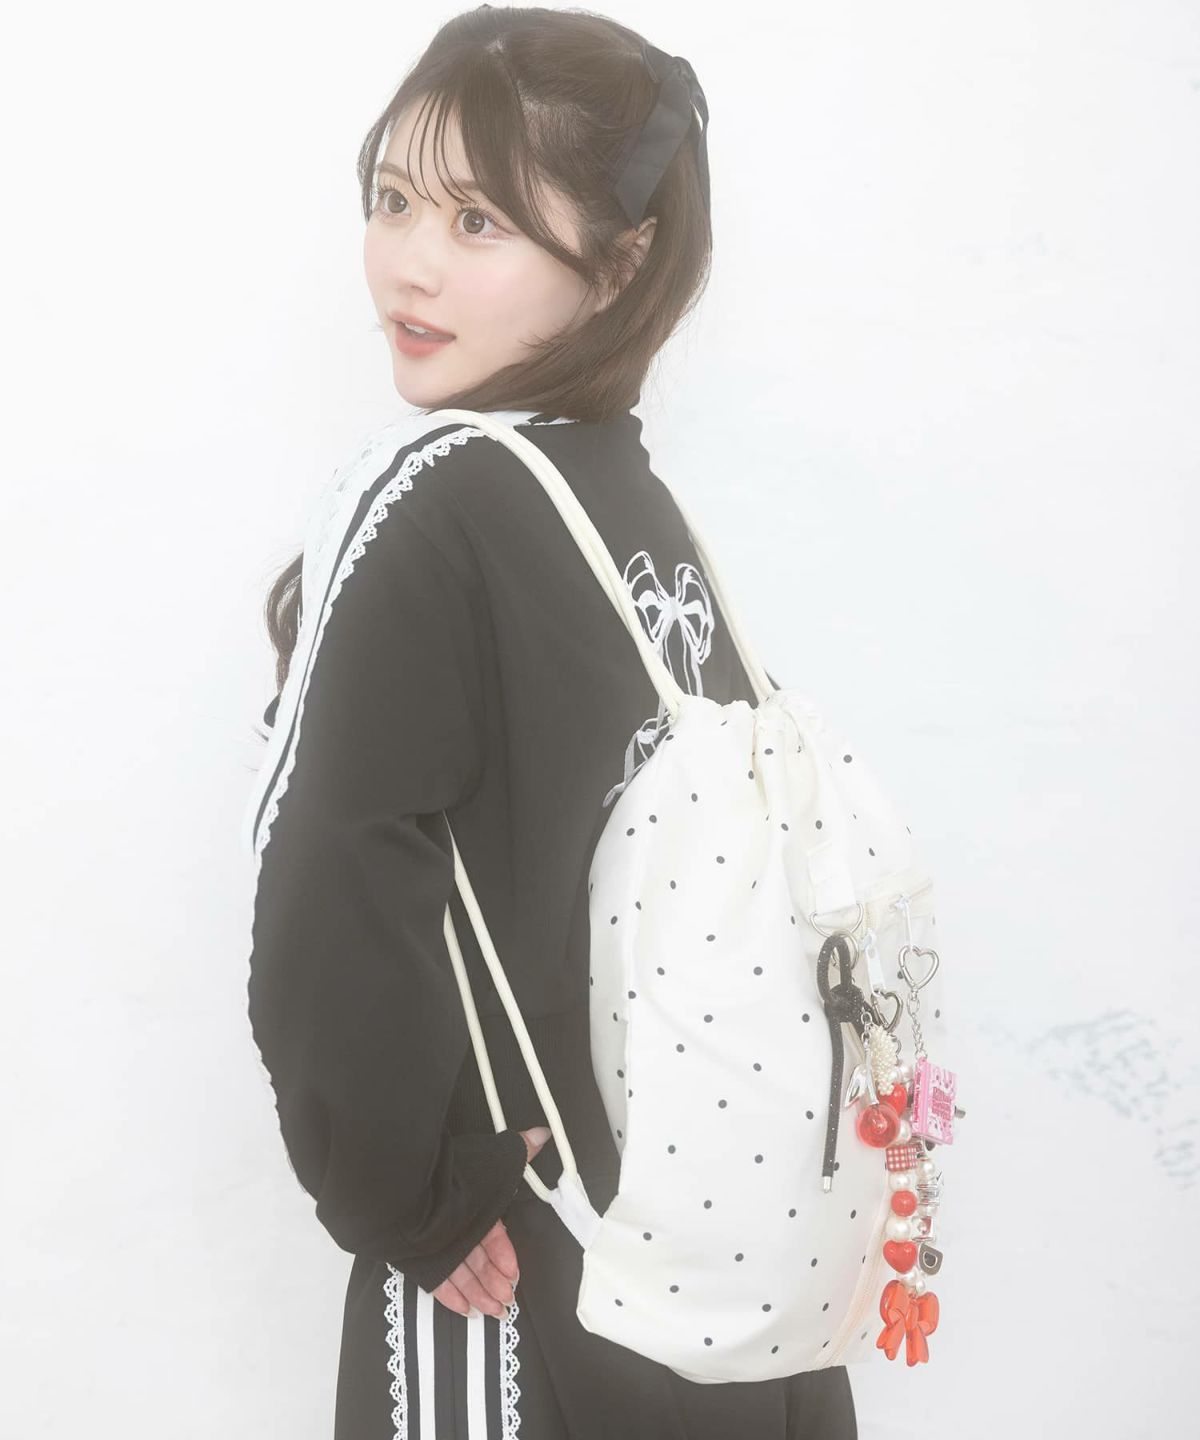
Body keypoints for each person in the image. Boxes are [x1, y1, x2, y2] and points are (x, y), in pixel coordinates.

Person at [244, 6, 859, 1437]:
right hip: (712, 1246)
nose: (410, 261)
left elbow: (331, 877)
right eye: (394, 199)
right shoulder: (631, 502)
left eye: (478, 220)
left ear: (620, 262)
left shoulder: (437, 499)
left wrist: (412, 1194)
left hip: (520, 1257)